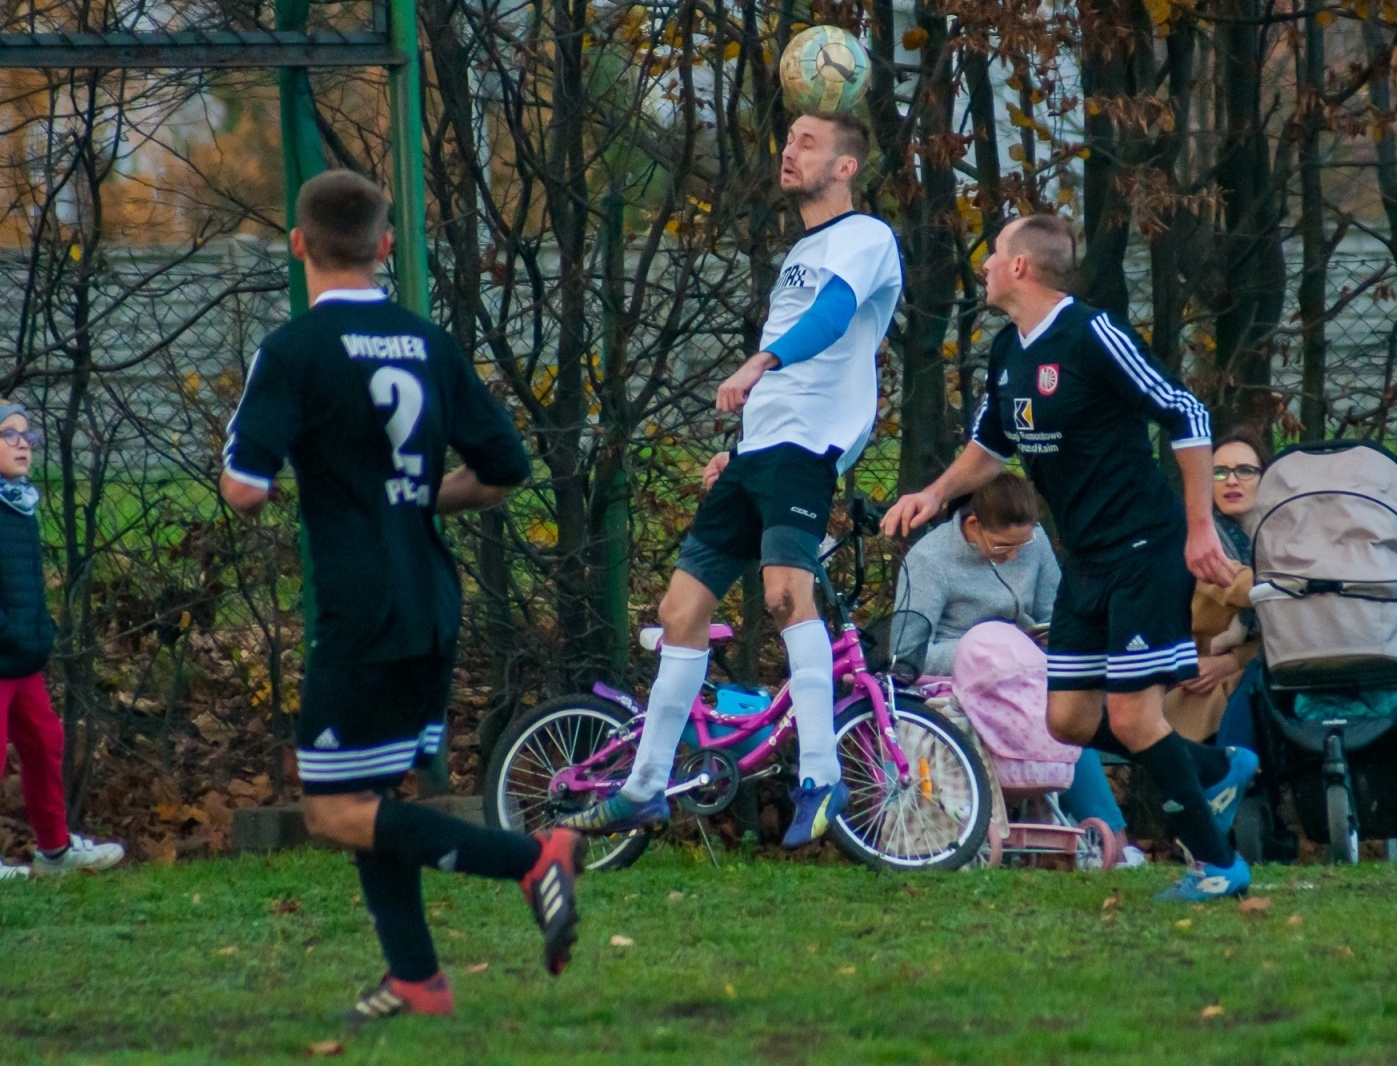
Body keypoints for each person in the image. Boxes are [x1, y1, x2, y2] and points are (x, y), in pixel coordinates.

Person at [220, 170, 584, 1021]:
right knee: (370, 800)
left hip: (361, 609)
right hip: (429, 597)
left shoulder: (294, 351)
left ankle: (531, 857)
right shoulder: (429, 343)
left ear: (299, 244)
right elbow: (504, 469)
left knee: (332, 812)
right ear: (386, 246)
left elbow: (244, 490)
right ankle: (416, 976)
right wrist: (414, 496)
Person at [883, 214, 1257, 902]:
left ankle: (1218, 865)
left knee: (1134, 718)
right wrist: (934, 493)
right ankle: (1211, 769)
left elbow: (1187, 413)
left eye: (995, 252)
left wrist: (1200, 529)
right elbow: (991, 447)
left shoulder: (1092, 334)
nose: (985, 264)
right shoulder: (1007, 350)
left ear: (1021, 267)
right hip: (1084, 560)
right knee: (1068, 722)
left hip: (1143, 549)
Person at [559, 111, 902, 847]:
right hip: (760, 451)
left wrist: (760, 361)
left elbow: (833, 318)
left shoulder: (867, 237)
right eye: (789, 138)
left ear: (845, 167)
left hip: (807, 449)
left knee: (785, 595)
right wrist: (740, 447)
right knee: (679, 610)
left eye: (808, 143)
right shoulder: (801, 249)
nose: (789, 150)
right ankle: (645, 787)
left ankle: (822, 776)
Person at [893, 472, 1143, 865]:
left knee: (1070, 710)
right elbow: (906, 653)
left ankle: (1114, 841)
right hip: (958, 679)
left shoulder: (1034, 541)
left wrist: (1045, 639)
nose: (1014, 556)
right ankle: (1109, 841)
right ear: (972, 524)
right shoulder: (928, 561)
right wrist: (992, 650)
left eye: (1021, 546)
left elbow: (1052, 612)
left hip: (1027, 669)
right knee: (1049, 714)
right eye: (1003, 546)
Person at [0, 403, 124, 880]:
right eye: (8, 435)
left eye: (27, 435)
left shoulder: (20, 503)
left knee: (45, 741)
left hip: (22, 656)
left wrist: (38, 629)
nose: (23, 444)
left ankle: (54, 852)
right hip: (4, 652)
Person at [1163, 428, 1268, 743]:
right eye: (1219, 472)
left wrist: (1234, 660)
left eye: (1245, 470)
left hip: (1255, 670)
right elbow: (1242, 585)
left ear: (1267, 479)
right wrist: (1295, 581)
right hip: (1202, 684)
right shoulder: (1197, 541)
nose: (1231, 481)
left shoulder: (1282, 536)